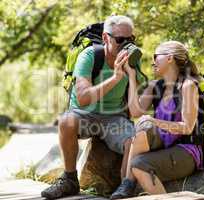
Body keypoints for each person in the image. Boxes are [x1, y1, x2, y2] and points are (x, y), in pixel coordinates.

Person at [41, 15, 145, 199]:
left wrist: (130, 75)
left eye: (130, 40)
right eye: (120, 40)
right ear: (106, 38)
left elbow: (135, 110)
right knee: (66, 121)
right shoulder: (89, 56)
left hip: (114, 117)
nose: (126, 45)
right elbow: (82, 98)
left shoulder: (133, 60)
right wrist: (115, 78)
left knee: (134, 139)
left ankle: (125, 187)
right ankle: (70, 179)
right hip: (84, 114)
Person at [110, 41, 203, 199]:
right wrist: (131, 77)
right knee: (138, 159)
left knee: (143, 141)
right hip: (164, 143)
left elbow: (187, 127)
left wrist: (154, 122)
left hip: (186, 149)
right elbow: (135, 111)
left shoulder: (188, 86)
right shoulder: (155, 86)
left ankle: (126, 184)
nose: (153, 62)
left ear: (169, 58)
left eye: (155, 56)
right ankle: (127, 184)